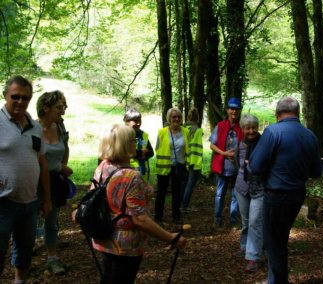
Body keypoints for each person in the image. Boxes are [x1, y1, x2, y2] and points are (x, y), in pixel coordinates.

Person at [73, 124, 186, 283]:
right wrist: (170, 238)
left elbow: (91, 196)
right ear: (124, 145)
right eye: (133, 141)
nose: (137, 144)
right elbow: (139, 219)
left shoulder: (103, 166)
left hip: (104, 237)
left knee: (109, 277)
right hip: (125, 246)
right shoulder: (131, 177)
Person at [248, 96, 322, 284]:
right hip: (297, 195)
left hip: (276, 196)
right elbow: (316, 172)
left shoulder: (272, 132)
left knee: (273, 245)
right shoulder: (310, 135)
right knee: (280, 239)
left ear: (276, 114)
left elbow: (255, 167)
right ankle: (274, 280)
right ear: (298, 114)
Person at [0, 76, 52, 283]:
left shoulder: (36, 127)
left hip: (30, 203)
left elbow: (42, 163)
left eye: (26, 98)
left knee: (24, 253)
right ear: (5, 95)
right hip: (2, 202)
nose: (20, 101)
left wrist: (47, 198)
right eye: (15, 97)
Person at [36, 90, 73, 274]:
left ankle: (52, 259)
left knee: (51, 222)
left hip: (54, 182)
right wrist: (58, 167)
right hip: (33, 182)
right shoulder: (32, 129)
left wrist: (61, 166)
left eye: (64, 107)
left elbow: (64, 151)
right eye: (59, 107)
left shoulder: (60, 128)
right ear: (45, 107)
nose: (63, 111)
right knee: (27, 221)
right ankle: (23, 259)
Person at [234, 114, 264, 273]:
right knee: (246, 221)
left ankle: (253, 257)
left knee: (255, 222)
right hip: (241, 187)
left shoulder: (264, 144)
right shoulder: (241, 144)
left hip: (259, 188)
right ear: (243, 129)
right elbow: (237, 164)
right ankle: (245, 246)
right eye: (248, 128)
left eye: (254, 127)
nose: (251, 131)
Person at [209, 97, 243, 226]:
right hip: (222, 166)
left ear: (239, 111)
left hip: (237, 168)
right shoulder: (220, 126)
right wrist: (224, 153)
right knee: (219, 194)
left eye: (236, 109)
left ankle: (233, 220)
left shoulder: (242, 128)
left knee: (235, 195)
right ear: (227, 110)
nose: (234, 111)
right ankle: (217, 218)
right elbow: (212, 145)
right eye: (232, 108)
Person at [154, 108, 189, 224]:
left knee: (177, 192)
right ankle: (158, 216)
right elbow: (157, 148)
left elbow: (188, 149)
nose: (177, 119)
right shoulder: (162, 132)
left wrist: (187, 164)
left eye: (179, 116)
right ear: (169, 119)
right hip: (164, 166)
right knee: (161, 192)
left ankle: (176, 215)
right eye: (174, 117)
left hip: (178, 167)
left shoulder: (185, 131)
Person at [181, 107, 203, 211]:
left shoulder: (183, 129)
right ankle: (184, 205)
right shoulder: (198, 131)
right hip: (194, 161)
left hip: (183, 159)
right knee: (190, 183)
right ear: (198, 118)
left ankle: (181, 203)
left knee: (184, 183)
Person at [123, 108, 154, 180]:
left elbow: (151, 152)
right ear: (126, 121)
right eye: (135, 121)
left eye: (140, 120)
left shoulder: (143, 135)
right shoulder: (122, 135)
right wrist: (141, 153)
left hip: (143, 173)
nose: (138, 123)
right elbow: (122, 152)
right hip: (127, 174)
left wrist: (140, 154)